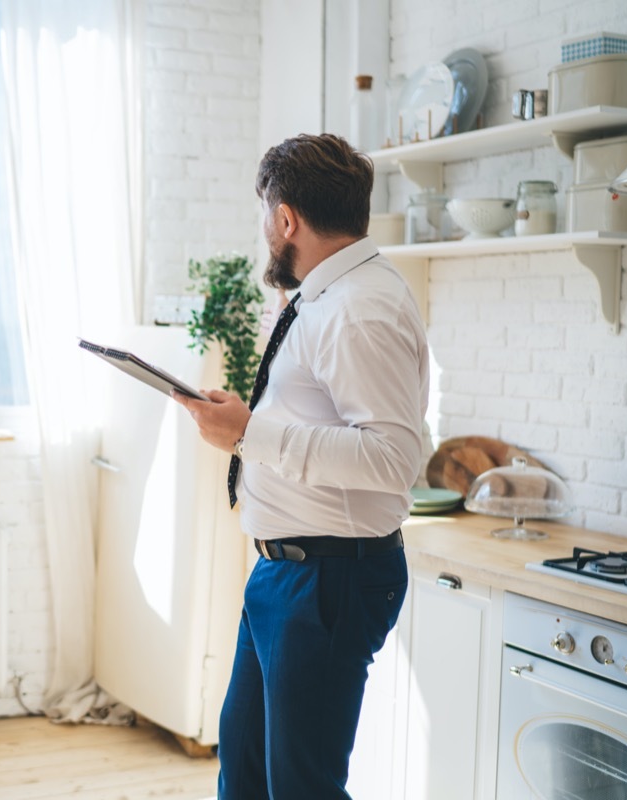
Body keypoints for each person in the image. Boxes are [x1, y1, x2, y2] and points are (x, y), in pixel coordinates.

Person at [174, 133, 430, 799]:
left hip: (329, 578)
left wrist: (252, 432)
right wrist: (243, 428)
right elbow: (316, 423)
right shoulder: (326, 298)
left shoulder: (357, 308)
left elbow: (393, 458)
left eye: (266, 214)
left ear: (285, 217)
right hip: (288, 574)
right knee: (250, 776)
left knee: (299, 787)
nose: (266, 231)